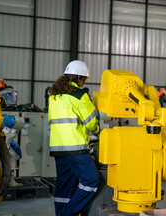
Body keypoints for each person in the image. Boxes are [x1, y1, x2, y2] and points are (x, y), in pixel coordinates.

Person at [48, 60, 100, 216]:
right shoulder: (79, 95)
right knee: (92, 180)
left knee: (65, 185)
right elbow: (91, 121)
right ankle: (71, 212)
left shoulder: (54, 96)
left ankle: (61, 213)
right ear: (78, 78)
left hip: (58, 149)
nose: (84, 82)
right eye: (84, 78)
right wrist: (98, 130)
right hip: (76, 148)